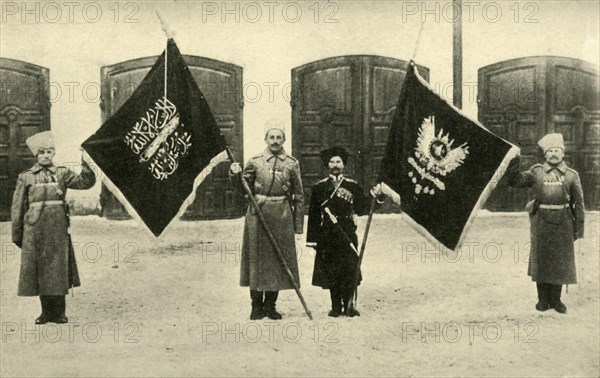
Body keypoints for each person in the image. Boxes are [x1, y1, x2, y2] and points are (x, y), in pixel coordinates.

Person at [11, 131, 96, 324]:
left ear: (54, 153)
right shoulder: (26, 177)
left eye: (49, 151)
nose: (46, 155)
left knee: (58, 270)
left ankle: (59, 313)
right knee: (40, 271)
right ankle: (45, 313)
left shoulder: (63, 173)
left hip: (57, 231)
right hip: (35, 231)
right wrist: (17, 234)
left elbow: (84, 183)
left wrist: (86, 163)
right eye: (42, 152)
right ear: (36, 155)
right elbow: (17, 208)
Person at [230, 121, 304, 320]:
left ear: (284, 140)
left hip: (282, 215)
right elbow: (241, 188)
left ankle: (271, 306)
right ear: (265, 139)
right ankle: (256, 306)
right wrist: (234, 175)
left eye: (279, 137)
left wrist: (298, 226)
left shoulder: (291, 163)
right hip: (257, 214)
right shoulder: (255, 161)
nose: (275, 141)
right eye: (271, 137)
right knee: (256, 259)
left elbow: (299, 195)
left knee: (277, 261)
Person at [508, 133, 584, 314]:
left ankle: (556, 300)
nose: (554, 154)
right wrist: (513, 162)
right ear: (545, 154)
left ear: (563, 153)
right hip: (541, 222)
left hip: (563, 223)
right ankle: (542, 300)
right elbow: (516, 181)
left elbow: (579, 204)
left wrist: (578, 229)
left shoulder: (572, 176)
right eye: (550, 151)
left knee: (559, 261)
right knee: (541, 260)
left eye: (557, 150)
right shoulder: (537, 172)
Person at [306, 146, 384, 317]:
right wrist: (313, 239)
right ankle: (335, 306)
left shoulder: (352, 186)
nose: (335, 165)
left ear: (344, 165)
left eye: (338, 161)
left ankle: (349, 305)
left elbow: (363, 208)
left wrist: (377, 196)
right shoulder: (319, 187)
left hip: (347, 232)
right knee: (332, 270)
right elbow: (313, 215)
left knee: (349, 268)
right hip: (327, 234)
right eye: (332, 161)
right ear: (327, 165)